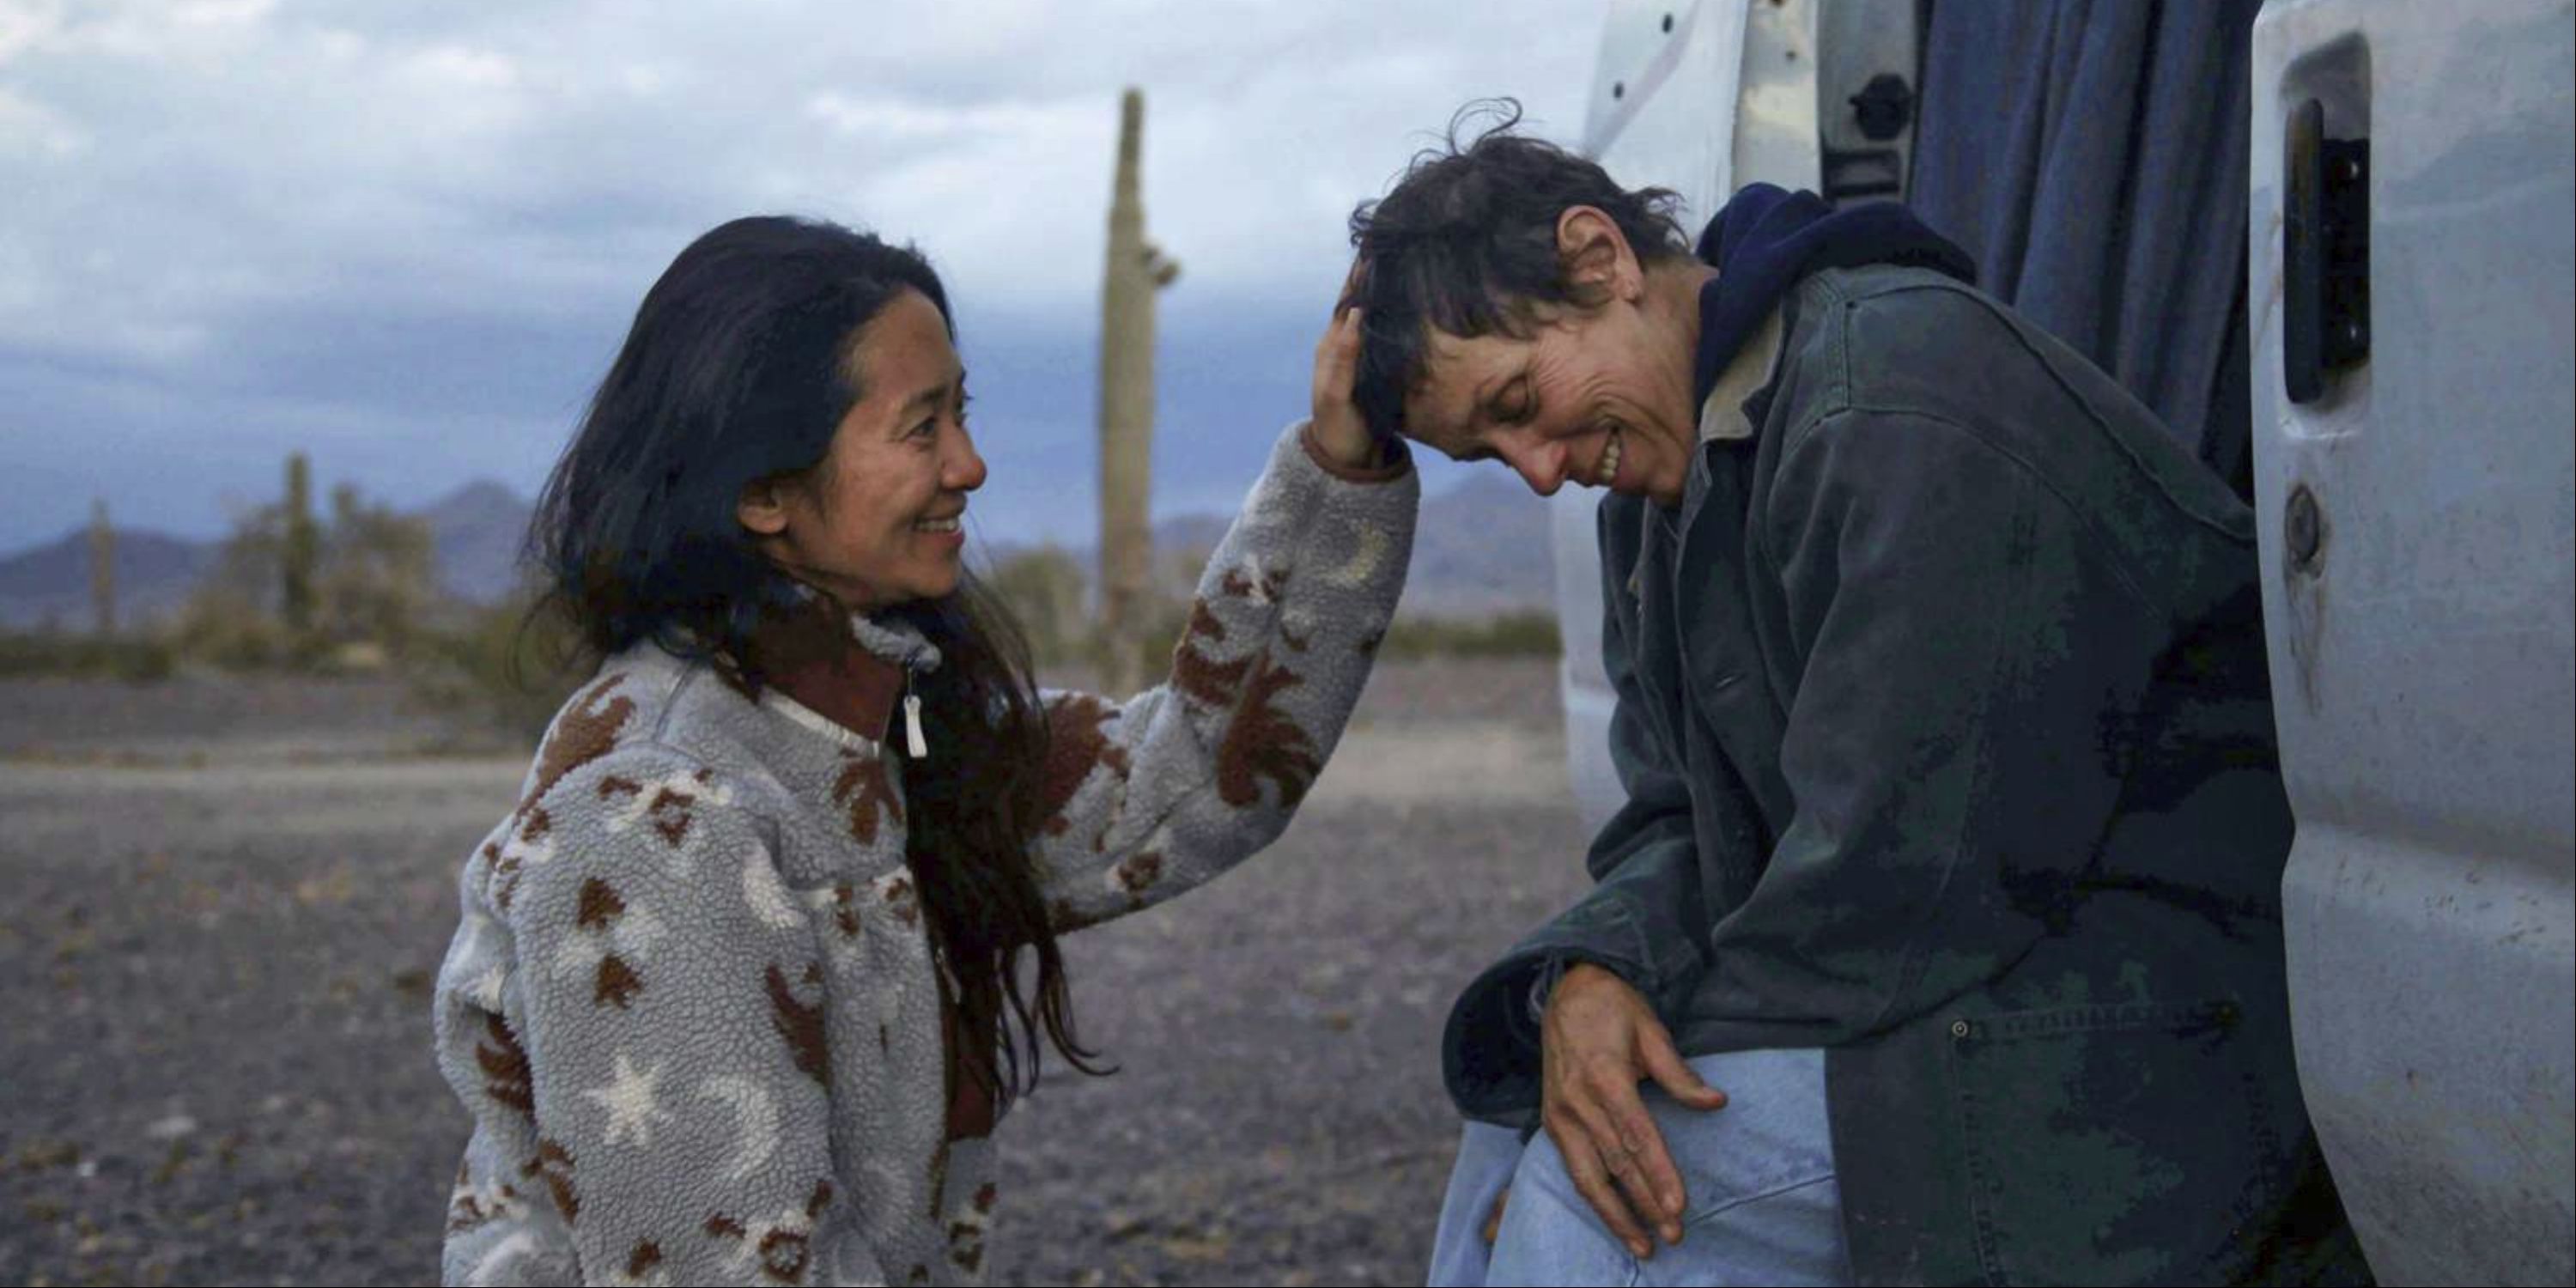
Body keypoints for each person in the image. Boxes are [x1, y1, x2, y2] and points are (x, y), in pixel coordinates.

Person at [1340, 115, 2367, 1285]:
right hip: (1948, 988)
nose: (1537, 471)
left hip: (2144, 1025)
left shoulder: (1900, 399)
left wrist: (1613, 1052)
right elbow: (1672, 821)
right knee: (1525, 1115)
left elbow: (1906, 880)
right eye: (1491, 452)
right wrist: (1594, 975)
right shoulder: (1660, 493)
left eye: (1521, 399)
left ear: (1599, 259)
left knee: (1593, 1185)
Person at [428, 215, 1414, 1285]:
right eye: (921, 427)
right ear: (761, 491)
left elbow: (1186, 786)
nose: (970, 464)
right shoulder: (655, 817)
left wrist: (1338, 467)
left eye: (963, 414)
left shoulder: (880, 725)